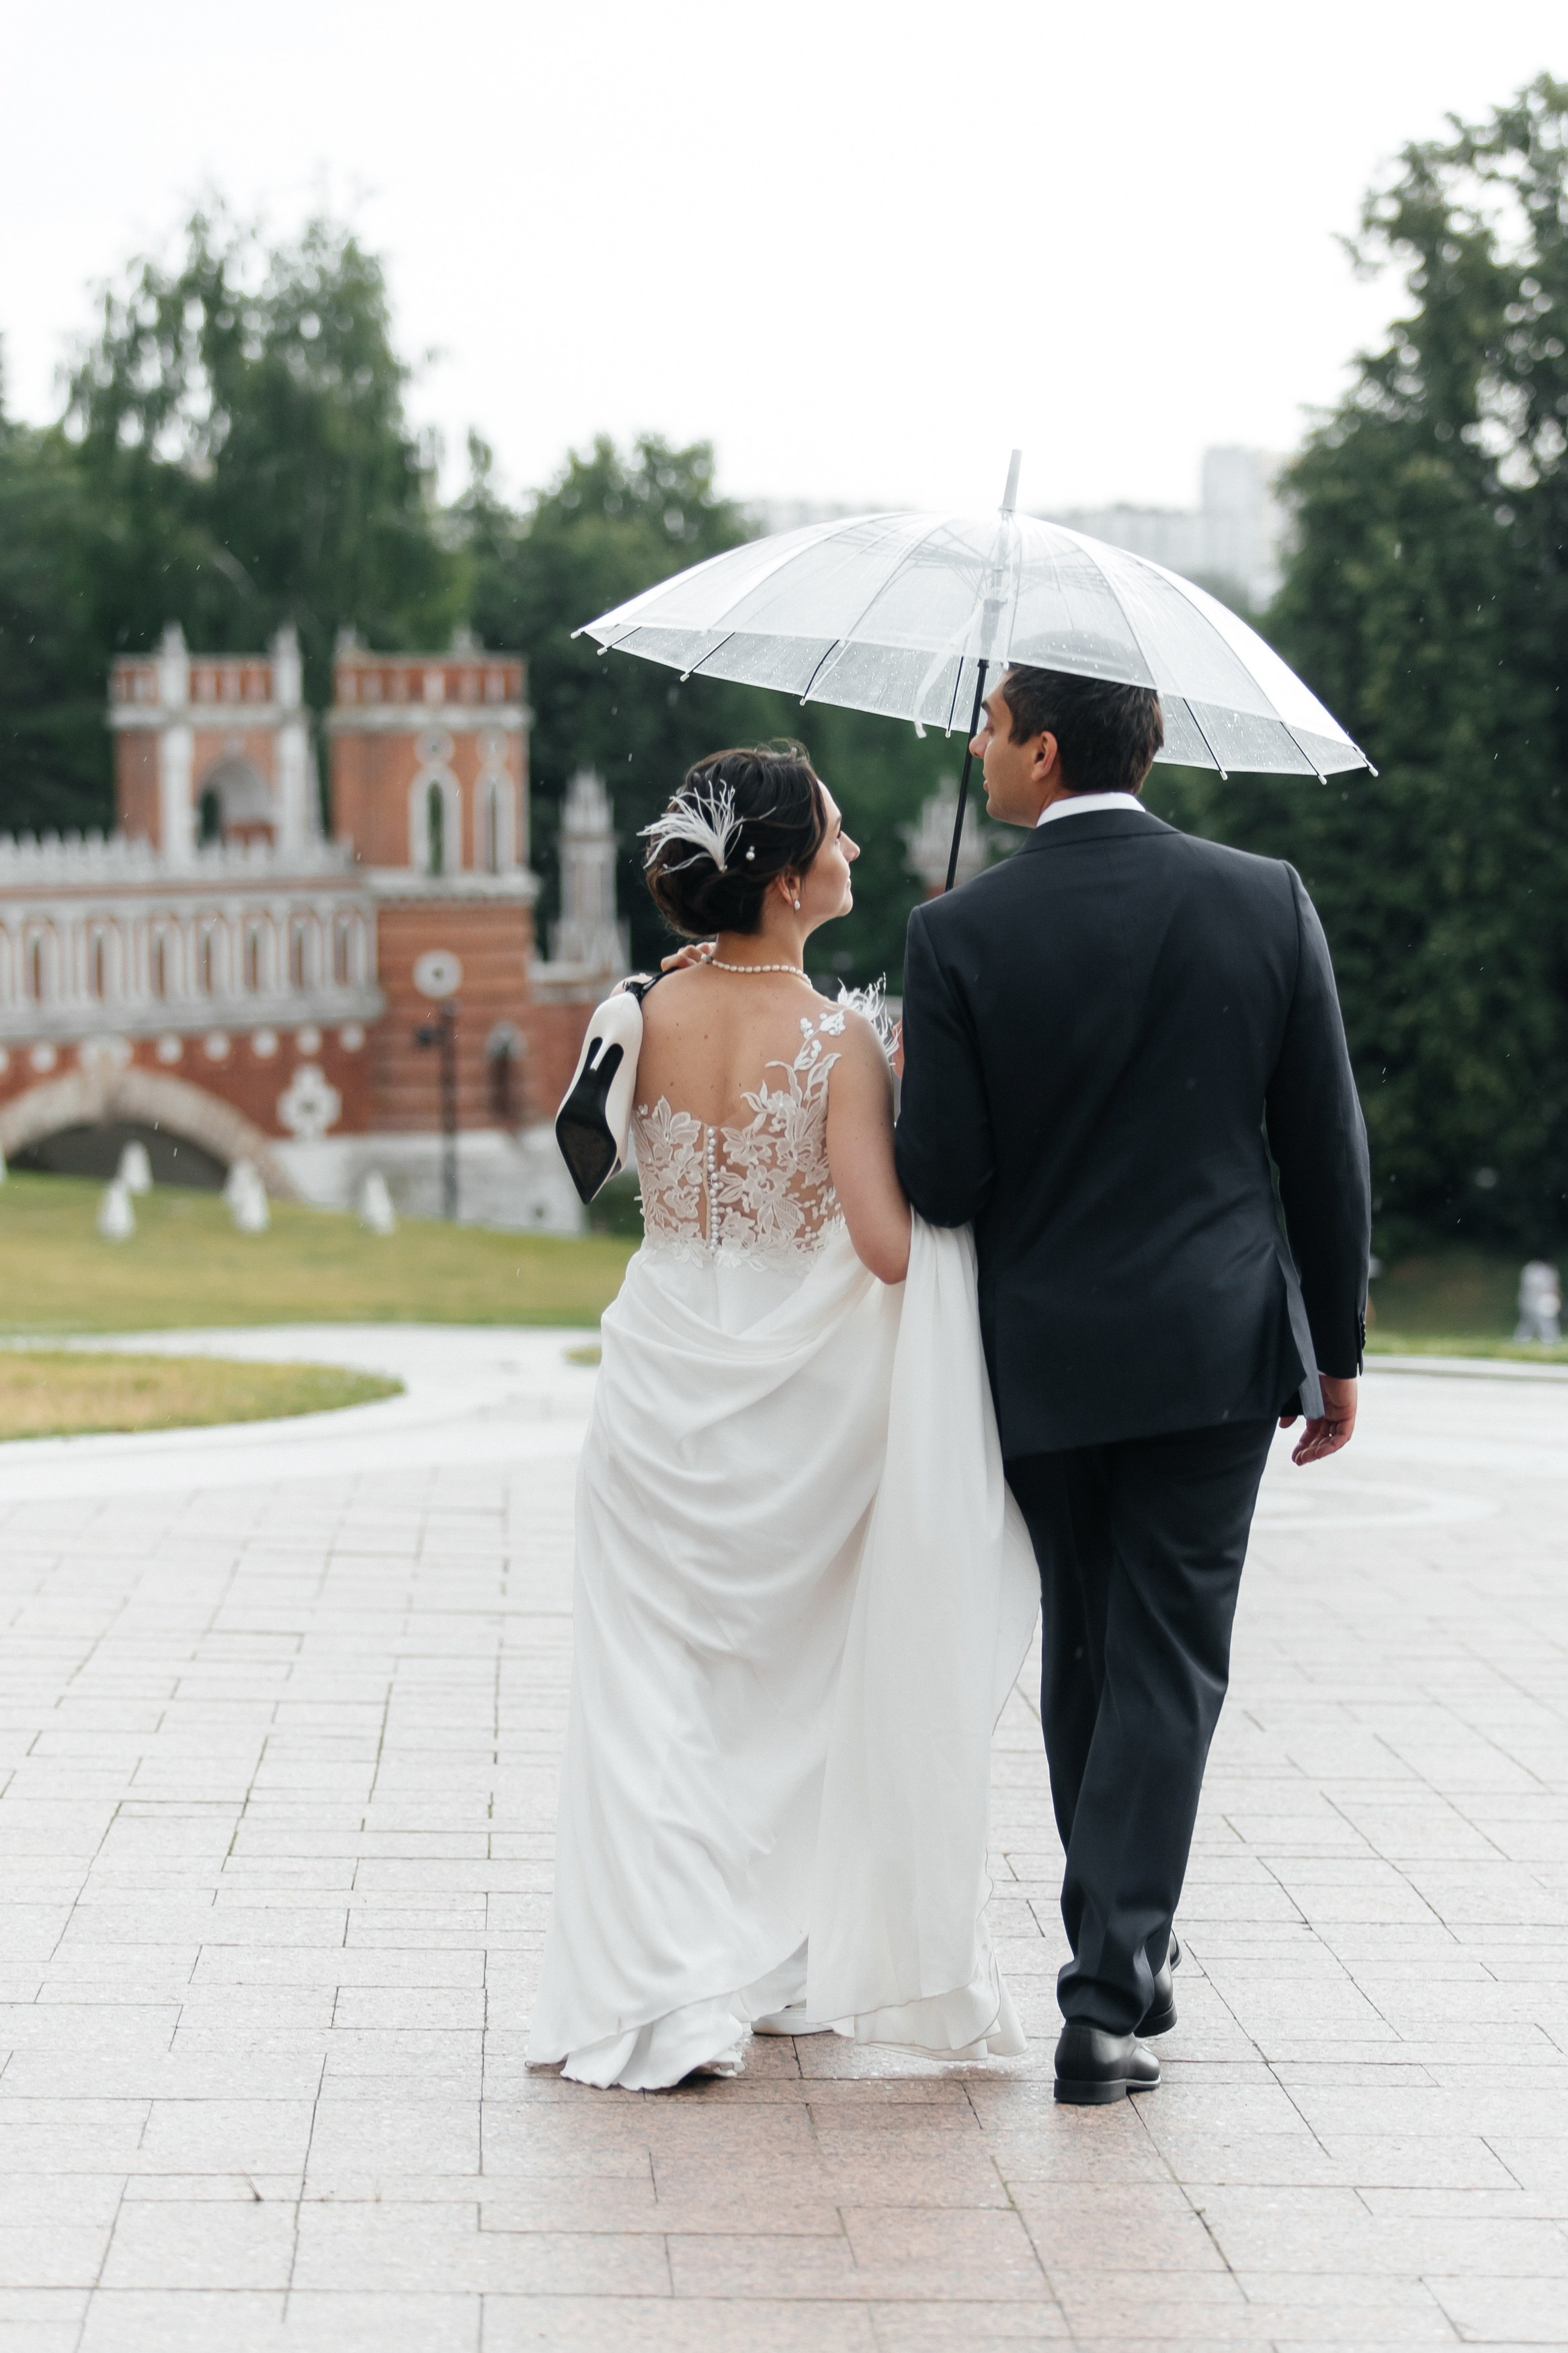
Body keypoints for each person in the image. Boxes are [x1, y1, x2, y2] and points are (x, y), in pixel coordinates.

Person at [528, 744, 1038, 2091]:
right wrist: (925, 1111)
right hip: (798, 1417)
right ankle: (768, 1952)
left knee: (649, 1698)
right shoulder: (842, 1041)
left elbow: (598, 1164)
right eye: (834, 833)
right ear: (783, 876)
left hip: (655, 1392)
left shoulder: (643, 1007)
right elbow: (884, 1247)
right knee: (792, 1692)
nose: (858, 847)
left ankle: (648, 1991)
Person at [895, 666, 1372, 2105]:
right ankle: (1111, 1985)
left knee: (1089, 1648)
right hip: (1213, 1347)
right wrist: (1337, 1351)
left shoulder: (955, 929)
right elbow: (1324, 1148)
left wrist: (927, 1082)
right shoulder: (1265, 897)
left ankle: (1118, 1951)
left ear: (1045, 749)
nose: (976, 749)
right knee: (1163, 1655)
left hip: (1040, 1351)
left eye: (989, 728)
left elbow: (947, 1181)